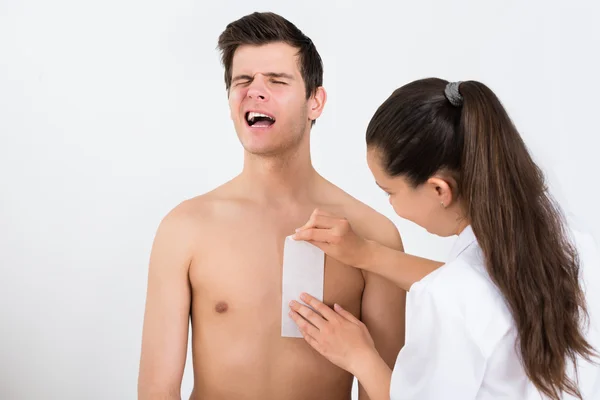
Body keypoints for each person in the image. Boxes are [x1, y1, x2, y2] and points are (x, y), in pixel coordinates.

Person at [137, 11, 406, 400]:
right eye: (242, 81)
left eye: (277, 81)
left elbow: (383, 391)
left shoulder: (372, 236)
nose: (254, 91)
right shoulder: (185, 229)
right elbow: (157, 392)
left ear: (316, 101)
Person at [290, 78, 600, 400]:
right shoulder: (574, 246)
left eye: (389, 192)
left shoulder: (450, 299)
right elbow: (486, 290)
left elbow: (463, 295)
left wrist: (359, 356)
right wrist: (366, 254)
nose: (390, 205)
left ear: (439, 189)